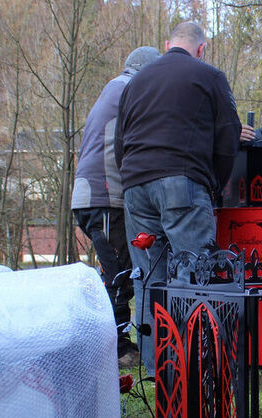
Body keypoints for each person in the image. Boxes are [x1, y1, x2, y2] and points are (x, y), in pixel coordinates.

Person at [115, 22, 242, 375]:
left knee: (147, 275)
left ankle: (158, 369)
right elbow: (229, 135)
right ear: (202, 48)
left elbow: (119, 141)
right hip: (182, 184)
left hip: (136, 185)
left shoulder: (136, 81)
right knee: (193, 272)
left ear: (168, 44)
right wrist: (213, 183)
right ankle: (196, 364)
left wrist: (132, 180)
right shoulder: (209, 76)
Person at [72, 46, 159, 364]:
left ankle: (104, 339)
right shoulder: (131, 90)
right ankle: (117, 349)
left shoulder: (115, 88)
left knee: (113, 270)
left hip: (93, 195)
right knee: (120, 272)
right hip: (105, 196)